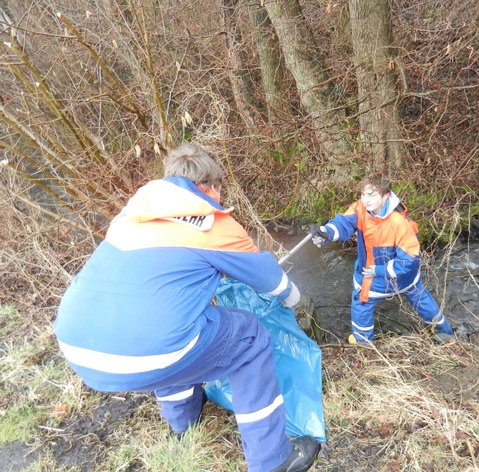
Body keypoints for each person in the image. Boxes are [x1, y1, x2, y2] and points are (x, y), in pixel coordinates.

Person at [54, 143, 320, 472]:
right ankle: (273, 459)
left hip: (78, 347)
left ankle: (184, 424)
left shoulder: (132, 215)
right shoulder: (214, 223)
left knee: (171, 319)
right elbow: (270, 279)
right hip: (149, 348)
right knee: (250, 337)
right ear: (211, 187)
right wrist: (297, 301)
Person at [310, 174, 455, 345]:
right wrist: (327, 232)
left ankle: (363, 343)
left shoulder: (399, 222)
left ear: (385, 195)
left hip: (383, 277)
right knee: (419, 296)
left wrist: (379, 271)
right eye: (363, 194)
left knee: (361, 302)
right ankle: (443, 332)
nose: (366, 200)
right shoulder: (361, 209)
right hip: (406, 279)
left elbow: (409, 258)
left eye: (372, 195)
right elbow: (344, 223)